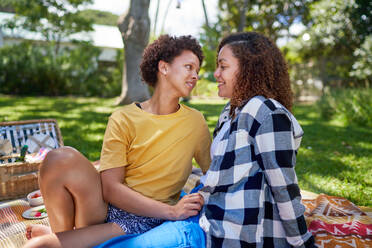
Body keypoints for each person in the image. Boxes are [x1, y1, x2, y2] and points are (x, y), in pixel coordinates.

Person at [96, 31, 315, 248]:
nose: (215, 74)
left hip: (223, 233)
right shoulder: (231, 111)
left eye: (223, 66)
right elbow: (217, 173)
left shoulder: (267, 113)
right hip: (201, 219)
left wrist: (302, 242)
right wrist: (197, 195)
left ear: (249, 68)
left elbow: (283, 187)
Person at [24, 34, 212, 248]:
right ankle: (64, 235)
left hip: (142, 218)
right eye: (189, 67)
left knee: (38, 246)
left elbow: (213, 173)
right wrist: (173, 211)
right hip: (106, 207)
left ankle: (64, 239)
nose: (195, 75)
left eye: (197, 70)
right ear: (164, 68)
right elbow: (110, 188)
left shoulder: (195, 122)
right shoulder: (123, 117)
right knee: (58, 158)